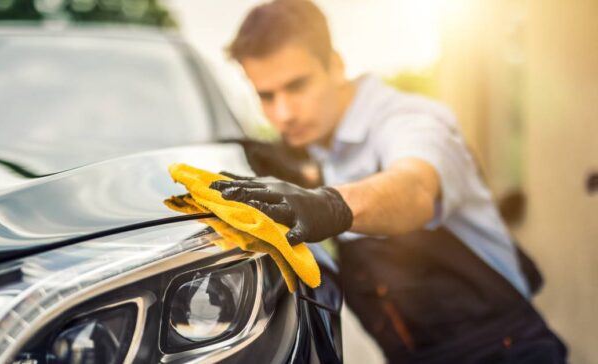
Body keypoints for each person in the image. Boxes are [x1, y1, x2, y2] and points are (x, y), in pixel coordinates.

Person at [210, 1, 567, 363]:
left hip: (504, 351)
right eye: (266, 96)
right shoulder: (322, 147)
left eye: (297, 86)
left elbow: (415, 188)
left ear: (335, 65)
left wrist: (330, 205)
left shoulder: (409, 119)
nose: (283, 113)